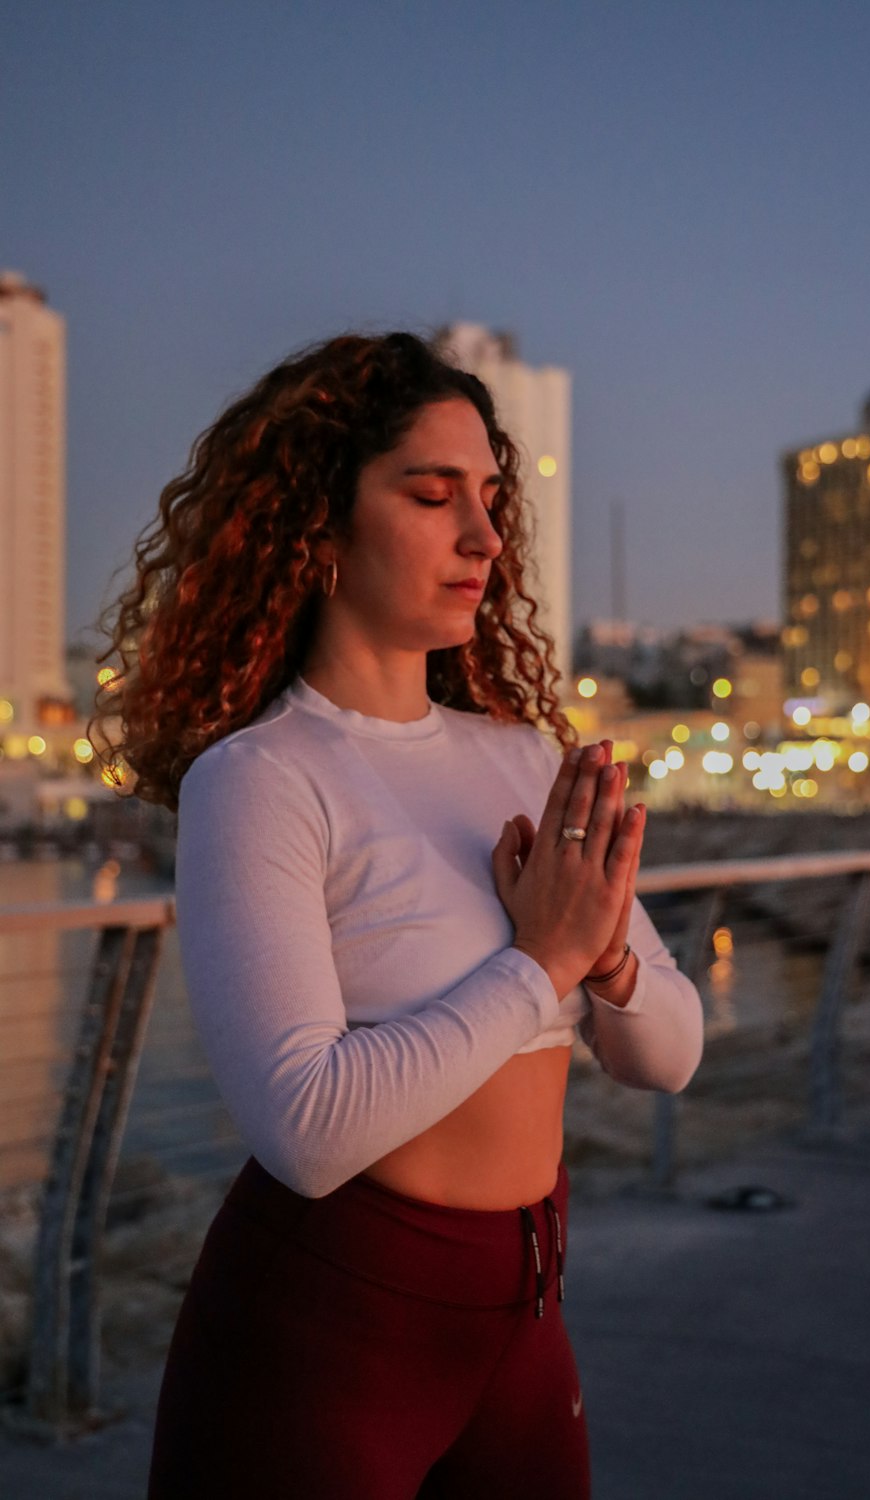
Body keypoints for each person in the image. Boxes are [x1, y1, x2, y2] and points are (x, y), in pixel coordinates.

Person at [95, 330, 704, 1499]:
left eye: (489, 498)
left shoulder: (526, 760)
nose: (482, 535)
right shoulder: (263, 777)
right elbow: (307, 1130)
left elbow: (669, 1058)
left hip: (524, 1329)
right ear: (314, 528)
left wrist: (610, 955)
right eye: (433, 496)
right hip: (323, 1343)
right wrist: (542, 964)